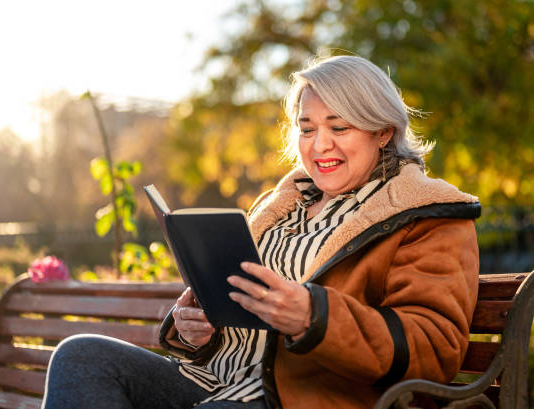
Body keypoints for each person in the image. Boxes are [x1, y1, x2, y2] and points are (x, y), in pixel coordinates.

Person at [41, 55, 480, 409]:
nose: (319, 145)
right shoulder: (281, 207)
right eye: (307, 129)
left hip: (291, 398)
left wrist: (313, 316)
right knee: (81, 358)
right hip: (214, 382)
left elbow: (432, 348)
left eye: (339, 127)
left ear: (383, 131)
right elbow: (242, 317)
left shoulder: (427, 217)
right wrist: (200, 330)